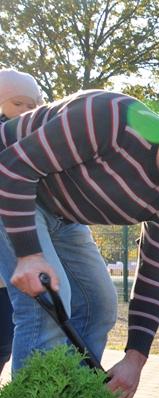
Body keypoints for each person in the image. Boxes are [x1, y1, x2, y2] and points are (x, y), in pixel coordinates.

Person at [0, 89, 159, 398]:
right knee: (51, 301)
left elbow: (153, 277)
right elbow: (12, 166)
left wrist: (136, 359)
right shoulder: (111, 119)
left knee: (99, 306)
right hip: (11, 184)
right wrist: (28, 254)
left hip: (61, 213)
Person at [0, 69, 44, 374]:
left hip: (7, 280)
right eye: (18, 103)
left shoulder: (36, 149)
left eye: (33, 106)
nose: (26, 112)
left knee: (5, 343)